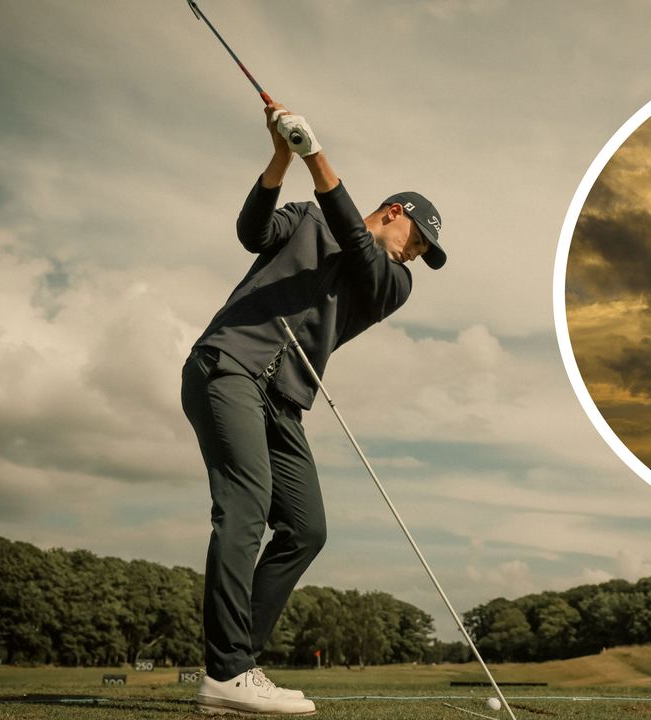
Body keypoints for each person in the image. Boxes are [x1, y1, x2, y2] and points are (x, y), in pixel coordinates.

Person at [181, 103, 445, 715]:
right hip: (228, 368)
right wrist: (280, 158)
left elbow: (355, 241)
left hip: (283, 402)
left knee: (306, 528)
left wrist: (315, 156)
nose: (418, 255)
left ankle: (238, 659)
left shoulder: (392, 283)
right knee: (244, 510)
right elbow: (253, 232)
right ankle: (227, 673)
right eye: (419, 240)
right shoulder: (302, 218)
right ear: (395, 212)